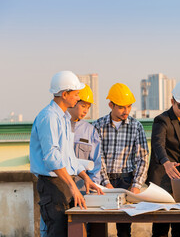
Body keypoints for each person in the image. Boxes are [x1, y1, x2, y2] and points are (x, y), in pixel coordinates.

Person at [30, 71, 103, 237]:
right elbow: (52, 158)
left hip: (63, 183)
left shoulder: (63, 118)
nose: (78, 98)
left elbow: (69, 156)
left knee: (68, 231)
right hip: (52, 184)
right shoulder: (49, 118)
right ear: (64, 94)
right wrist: (71, 185)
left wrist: (85, 177)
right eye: (76, 94)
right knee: (57, 232)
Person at [92, 83, 149, 237]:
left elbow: (142, 158)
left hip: (126, 181)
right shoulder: (98, 125)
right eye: (122, 107)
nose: (126, 111)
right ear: (111, 105)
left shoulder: (136, 127)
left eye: (129, 106)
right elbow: (98, 157)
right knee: (96, 227)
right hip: (102, 182)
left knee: (124, 230)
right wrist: (106, 183)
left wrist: (136, 186)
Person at [146, 80, 180, 237]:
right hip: (162, 175)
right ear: (172, 101)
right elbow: (157, 144)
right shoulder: (161, 120)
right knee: (161, 226)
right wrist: (166, 163)